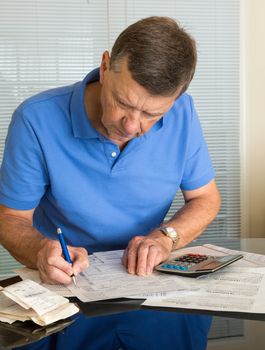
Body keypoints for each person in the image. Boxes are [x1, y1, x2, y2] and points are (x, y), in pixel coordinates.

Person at [0, 16, 220, 350]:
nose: (132, 126)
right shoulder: (36, 119)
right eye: (124, 103)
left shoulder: (183, 113)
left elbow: (205, 199)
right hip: (66, 285)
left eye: (152, 115)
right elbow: (10, 218)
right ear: (105, 67)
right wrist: (39, 250)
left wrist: (165, 239)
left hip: (149, 283)